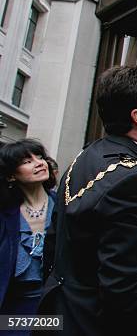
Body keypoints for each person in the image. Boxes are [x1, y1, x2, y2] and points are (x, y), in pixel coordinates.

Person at [38, 64, 137, 336]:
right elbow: (125, 285)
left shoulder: (85, 158)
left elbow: (53, 245)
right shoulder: (135, 181)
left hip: (65, 313)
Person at [0, 139, 56, 335]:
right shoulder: (5, 214)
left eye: (40, 157)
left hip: (55, 308)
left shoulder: (66, 208)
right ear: (11, 176)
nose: (39, 163)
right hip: (12, 310)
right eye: (27, 161)